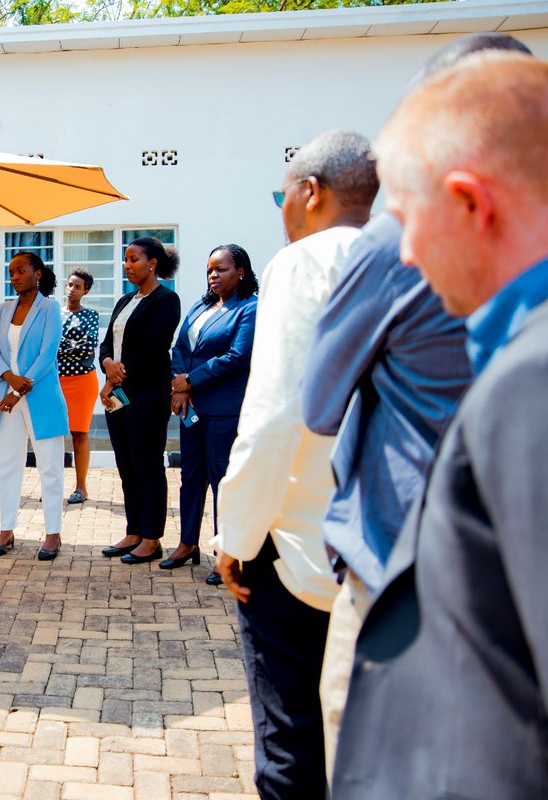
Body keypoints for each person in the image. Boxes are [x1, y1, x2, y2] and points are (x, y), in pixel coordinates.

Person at [300, 34, 528, 780]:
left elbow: (316, 403)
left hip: (408, 587)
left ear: (467, 199)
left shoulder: (529, 381)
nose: (399, 251)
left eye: (402, 212)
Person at [211, 130, 378, 799]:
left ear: (310, 192)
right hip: (374, 548)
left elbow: (278, 415)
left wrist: (236, 538)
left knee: (290, 751)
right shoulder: (406, 258)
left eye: (282, 194)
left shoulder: (307, 261)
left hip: (297, 552)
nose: (281, 208)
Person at [166, 245, 258, 586]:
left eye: (221, 269)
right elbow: (179, 348)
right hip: (190, 407)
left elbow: (237, 356)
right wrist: (180, 387)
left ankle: (228, 554)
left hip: (224, 410)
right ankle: (188, 542)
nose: (213, 276)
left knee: (224, 483)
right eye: (209, 270)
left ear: (241, 272)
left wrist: (190, 379)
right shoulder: (201, 304)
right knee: (191, 477)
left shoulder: (250, 308)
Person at [98, 237, 181, 565]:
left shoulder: (166, 299)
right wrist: (107, 366)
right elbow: (107, 344)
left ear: (153, 264)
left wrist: (119, 372)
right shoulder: (124, 300)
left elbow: (155, 346)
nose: (128, 265)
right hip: (117, 394)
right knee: (125, 462)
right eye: (125, 259)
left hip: (147, 393)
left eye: (134, 259)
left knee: (146, 463)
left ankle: (151, 537)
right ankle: (133, 531)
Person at [0, 252, 69, 560]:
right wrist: (9, 379)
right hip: (6, 396)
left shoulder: (50, 308)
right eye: (12, 272)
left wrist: (18, 389)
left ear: (37, 274)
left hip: (40, 398)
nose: (15, 276)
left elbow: (47, 356)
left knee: (49, 467)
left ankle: (52, 533)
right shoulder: (3, 309)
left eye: (21, 270)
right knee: (8, 464)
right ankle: (7, 529)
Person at [57, 269, 101, 505]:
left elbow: (88, 346)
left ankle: (81, 487)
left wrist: (62, 346)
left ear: (86, 291)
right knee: (54, 434)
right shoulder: (54, 313)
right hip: (54, 381)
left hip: (82, 381)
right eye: (70, 285)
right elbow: (48, 344)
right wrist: (70, 344)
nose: (72, 290)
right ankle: (54, 486)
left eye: (78, 287)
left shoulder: (91, 315)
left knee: (80, 433)